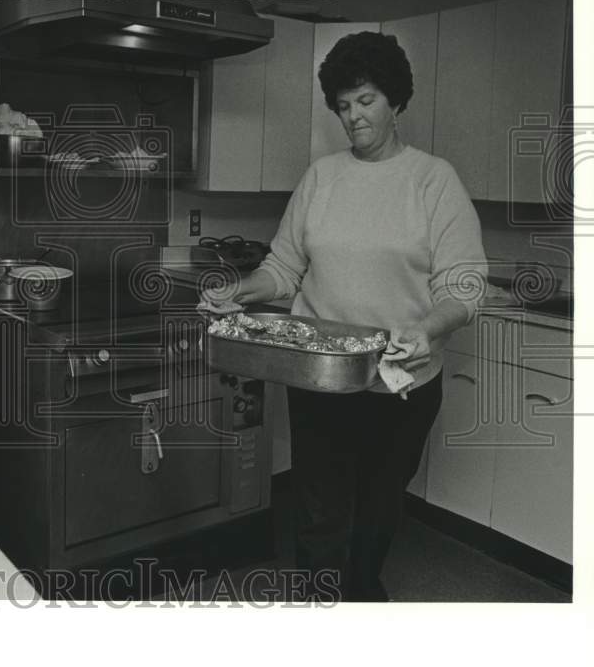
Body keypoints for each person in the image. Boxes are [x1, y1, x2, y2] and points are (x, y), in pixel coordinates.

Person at [203, 31, 487, 602]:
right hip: (320, 380)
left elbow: (464, 286)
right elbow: (283, 267)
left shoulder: (434, 181)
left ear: (396, 101)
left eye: (365, 101)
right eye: (342, 106)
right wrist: (239, 291)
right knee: (318, 512)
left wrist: (427, 327)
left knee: (376, 514)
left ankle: (361, 605)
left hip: (399, 382)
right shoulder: (321, 179)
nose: (352, 117)